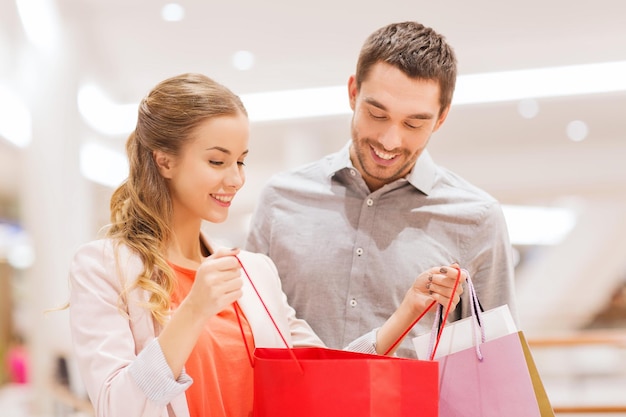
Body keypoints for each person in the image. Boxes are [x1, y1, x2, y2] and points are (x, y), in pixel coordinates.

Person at [68, 73, 466, 417]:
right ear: (165, 161)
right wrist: (193, 312)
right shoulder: (104, 268)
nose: (236, 179)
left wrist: (409, 310)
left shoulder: (253, 273)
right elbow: (116, 405)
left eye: (240, 161)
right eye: (216, 161)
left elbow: (322, 375)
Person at [246, 21, 517, 359]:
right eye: (377, 113)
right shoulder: (281, 199)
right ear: (353, 93)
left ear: (442, 117)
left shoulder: (477, 218)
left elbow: (494, 358)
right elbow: (251, 332)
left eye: (414, 124)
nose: (390, 141)